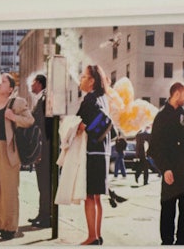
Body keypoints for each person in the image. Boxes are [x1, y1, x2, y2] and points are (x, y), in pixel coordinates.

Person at [0, 73, 35, 241]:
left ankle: (10, 227)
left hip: (9, 151)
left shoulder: (16, 102)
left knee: (9, 191)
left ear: (11, 89)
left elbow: (29, 120)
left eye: (4, 81)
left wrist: (13, 117)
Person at [149, 82, 184, 246]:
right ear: (176, 94)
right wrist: (165, 169)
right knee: (168, 209)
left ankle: (183, 241)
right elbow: (155, 147)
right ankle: (167, 242)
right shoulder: (161, 117)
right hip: (170, 171)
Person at [75, 65, 111, 245]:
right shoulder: (103, 98)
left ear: (92, 81)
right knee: (96, 196)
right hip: (102, 153)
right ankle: (97, 234)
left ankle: (92, 236)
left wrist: (84, 127)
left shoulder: (89, 99)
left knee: (89, 196)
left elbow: (84, 124)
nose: (81, 79)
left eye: (84, 76)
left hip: (92, 152)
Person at [27, 74, 52, 229]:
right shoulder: (41, 99)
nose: (31, 85)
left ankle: (46, 217)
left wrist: (41, 150)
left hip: (45, 147)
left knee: (45, 183)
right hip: (42, 147)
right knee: (41, 184)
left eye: (34, 83)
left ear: (40, 84)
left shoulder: (45, 99)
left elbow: (43, 127)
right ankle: (42, 214)